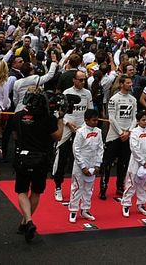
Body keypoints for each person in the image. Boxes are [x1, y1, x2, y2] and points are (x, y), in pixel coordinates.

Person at [14, 81, 63, 241]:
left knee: (22, 191)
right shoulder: (48, 118)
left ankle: (27, 220)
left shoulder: (19, 116)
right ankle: (26, 221)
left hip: (22, 157)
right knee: (36, 191)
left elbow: (14, 135)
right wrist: (60, 120)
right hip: (41, 159)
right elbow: (58, 136)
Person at [54, 70, 92, 202]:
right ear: (74, 80)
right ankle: (58, 186)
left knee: (82, 156)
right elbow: (60, 112)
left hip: (82, 128)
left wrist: (84, 126)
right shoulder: (66, 92)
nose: (83, 82)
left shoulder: (87, 93)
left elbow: (89, 111)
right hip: (67, 126)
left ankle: (80, 187)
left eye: (84, 80)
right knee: (62, 156)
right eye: (80, 79)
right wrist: (67, 123)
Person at [101, 74, 137, 200]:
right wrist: (121, 132)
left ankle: (120, 186)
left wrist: (129, 131)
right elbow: (111, 118)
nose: (130, 84)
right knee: (107, 164)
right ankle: (103, 188)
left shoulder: (133, 99)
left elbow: (134, 118)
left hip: (127, 136)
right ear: (121, 84)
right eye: (127, 82)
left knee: (124, 163)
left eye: (130, 82)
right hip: (114, 136)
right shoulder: (114, 99)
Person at [68, 109, 103, 223]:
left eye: (97, 120)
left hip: (93, 164)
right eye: (93, 120)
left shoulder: (99, 131)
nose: (96, 122)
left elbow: (100, 148)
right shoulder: (80, 131)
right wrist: (83, 166)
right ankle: (73, 211)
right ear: (86, 120)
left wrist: (98, 165)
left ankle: (85, 210)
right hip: (80, 165)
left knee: (89, 189)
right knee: (77, 188)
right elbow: (76, 150)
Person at [121, 112, 146, 217]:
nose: (145, 122)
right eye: (143, 120)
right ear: (138, 121)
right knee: (131, 183)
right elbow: (134, 147)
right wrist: (141, 161)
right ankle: (126, 205)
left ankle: (141, 204)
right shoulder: (134, 132)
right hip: (136, 162)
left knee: (142, 185)